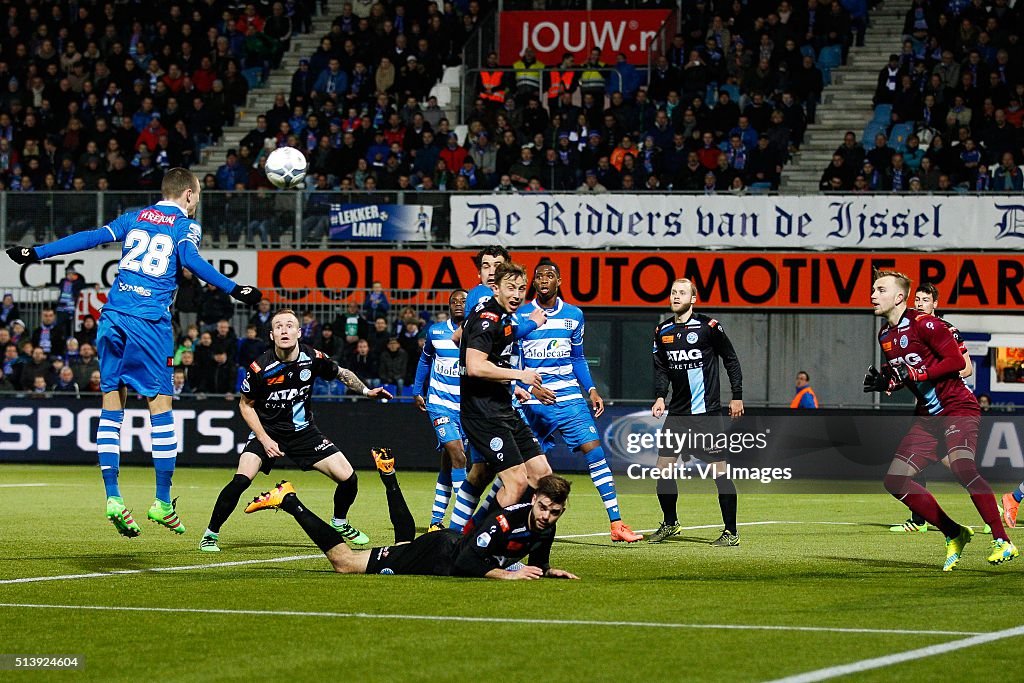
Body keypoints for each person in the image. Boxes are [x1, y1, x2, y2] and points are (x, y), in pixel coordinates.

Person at [6, 168, 262, 538]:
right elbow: (189, 259)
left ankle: (112, 495)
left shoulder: (135, 217)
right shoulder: (185, 226)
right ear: (189, 195)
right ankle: (161, 500)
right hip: (149, 322)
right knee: (160, 409)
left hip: (112, 318)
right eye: (199, 196)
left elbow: (91, 238)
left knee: (112, 406)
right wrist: (234, 288)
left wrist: (38, 253)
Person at [199, 308, 392, 552]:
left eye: (289, 325)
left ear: (299, 332)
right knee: (241, 479)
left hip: (304, 432)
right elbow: (245, 406)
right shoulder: (260, 368)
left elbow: (341, 373)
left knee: (349, 478)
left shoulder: (313, 357)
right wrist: (264, 439)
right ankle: (210, 534)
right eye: (278, 326)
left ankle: (340, 522)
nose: (284, 330)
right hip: (268, 431)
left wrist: (366, 391)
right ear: (271, 335)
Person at [865, 271, 1016, 569]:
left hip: (956, 406)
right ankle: (954, 532)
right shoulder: (885, 335)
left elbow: (957, 363)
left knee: (962, 466)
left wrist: (915, 374)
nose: (872, 294)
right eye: (872, 289)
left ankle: (1003, 541)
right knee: (894, 480)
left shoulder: (927, 324)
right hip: (927, 418)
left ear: (898, 297)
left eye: (880, 289)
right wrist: (889, 383)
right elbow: (906, 371)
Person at [244, 449, 578, 580]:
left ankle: (389, 476)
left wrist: (547, 571)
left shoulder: (545, 525)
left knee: (403, 543)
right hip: (440, 555)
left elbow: (538, 558)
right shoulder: (505, 521)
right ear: (533, 500)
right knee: (345, 563)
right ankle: (290, 500)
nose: (548, 516)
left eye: (554, 512)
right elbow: (466, 563)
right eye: (544, 507)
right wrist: (505, 575)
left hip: (441, 548)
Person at [514, 260, 642, 543]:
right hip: (533, 402)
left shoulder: (574, 315)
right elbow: (512, 361)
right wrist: (527, 388)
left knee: (595, 453)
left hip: (570, 398)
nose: (544, 280)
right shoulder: (521, 315)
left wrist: (592, 389)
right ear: (533, 284)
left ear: (559, 281)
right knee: (524, 470)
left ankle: (617, 524)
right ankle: (515, 525)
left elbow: (577, 357)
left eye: (550, 275)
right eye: (539, 277)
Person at [649, 278, 744, 546]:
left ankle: (731, 533)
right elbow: (661, 369)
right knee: (663, 469)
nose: (676, 296)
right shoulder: (662, 330)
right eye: (673, 292)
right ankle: (670, 524)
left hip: (707, 414)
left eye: (682, 292)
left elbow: (731, 359)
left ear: (693, 299)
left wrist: (737, 395)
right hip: (677, 415)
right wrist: (659, 397)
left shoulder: (709, 327)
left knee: (719, 471)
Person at [458, 262, 550, 516]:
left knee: (542, 475)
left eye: (521, 289)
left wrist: (513, 385)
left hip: (503, 407)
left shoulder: (503, 317)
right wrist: (521, 376)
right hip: (483, 413)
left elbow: (460, 340)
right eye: (510, 288)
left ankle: (526, 551)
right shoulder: (488, 318)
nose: (517, 294)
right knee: (516, 481)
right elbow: (475, 366)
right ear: (495, 288)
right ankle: (480, 545)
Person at [888, 282, 977, 534]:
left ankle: (989, 503)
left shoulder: (946, 330)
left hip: (947, 405)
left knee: (952, 464)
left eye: (925, 299)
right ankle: (919, 519)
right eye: (917, 299)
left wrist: (932, 374)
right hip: (926, 406)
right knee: (916, 461)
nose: (919, 304)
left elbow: (966, 368)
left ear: (935, 304)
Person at [413, 289, 469, 531]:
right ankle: (463, 520)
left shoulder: (478, 334)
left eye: (463, 301)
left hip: (467, 408)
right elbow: (425, 360)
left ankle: (436, 520)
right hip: (440, 404)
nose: (458, 304)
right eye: (454, 301)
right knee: (458, 456)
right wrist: (417, 390)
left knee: (448, 463)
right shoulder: (435, 331)